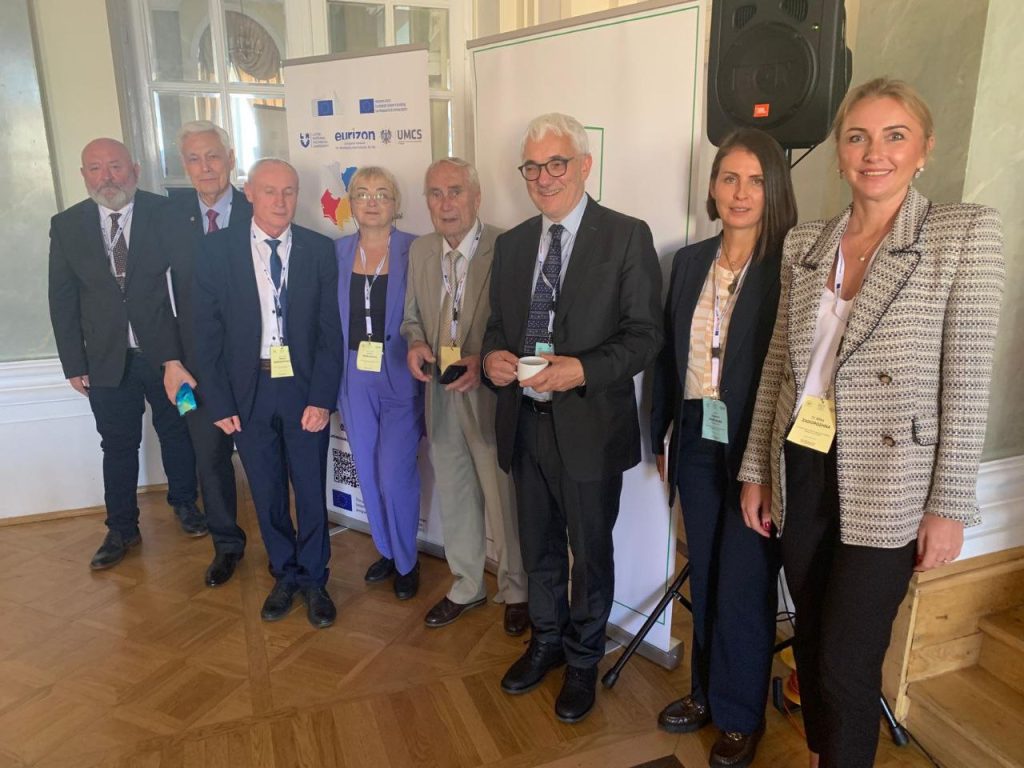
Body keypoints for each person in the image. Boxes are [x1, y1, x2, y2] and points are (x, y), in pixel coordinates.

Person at [739, 78, 1005, 768]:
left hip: (890, 479)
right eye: (857, 137)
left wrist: (948, 505)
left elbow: (967, 381)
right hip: (802, 462)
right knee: (811, 638)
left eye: (894, 136)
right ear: (839, 151)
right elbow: (779, 365)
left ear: (924, 149)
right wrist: (757, 470)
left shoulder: (962, 234)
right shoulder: (805, 242)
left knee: (845, 659)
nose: (873, 152)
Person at [482, 113, 663, 723]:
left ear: (585, 165)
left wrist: (581, 370)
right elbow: (497, 328)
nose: (544, 177)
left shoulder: (626, 236)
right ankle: (547, 643)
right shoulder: (512, 245)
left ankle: (584, 659)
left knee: (589, 554)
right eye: (533, 167)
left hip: (589, 429)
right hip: (524, 424)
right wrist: (494, 358)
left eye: (556, 163)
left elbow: (645, 337)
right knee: (536, 548)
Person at [650, 128, 797, 767]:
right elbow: (667, 356)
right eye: (729, 178)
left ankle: (741, 716)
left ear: (773, 190)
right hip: (695, 435)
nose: (740, 193)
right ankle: (705, 694)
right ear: (712, 187)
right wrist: (660, 430)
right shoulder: (688, 262)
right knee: (706, 572)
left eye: (755, 180)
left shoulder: (790, 265)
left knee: (744, 581)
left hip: (753, 445)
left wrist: (767, 461)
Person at [193, 158, 344, 629]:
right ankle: (285, 573)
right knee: (266, 489)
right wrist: (219, 402)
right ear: (249, 193)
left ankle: (315, 578)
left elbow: (330, 333)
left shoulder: (319, 250)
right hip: (249, 389)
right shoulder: (216, 251)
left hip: (303, 388)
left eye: (289, 191)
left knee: (310, 487)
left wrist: (322, 398)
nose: (281, 201)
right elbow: (204, 335)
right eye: (270, 191)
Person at [48, 137, 204, 570]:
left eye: (115, 166)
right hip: (104, 360)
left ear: (134, 169)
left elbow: (188, 286)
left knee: (178, 429)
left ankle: (185, 503)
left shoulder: (167, 212)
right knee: (116, 444)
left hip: (168, 357)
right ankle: (121, 528)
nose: (107, 177)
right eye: (96, 168)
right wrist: (73, 363)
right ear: (84, 176)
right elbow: (62, 299)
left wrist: (184, 355)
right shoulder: (66, 225)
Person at [401, 157, 529, 636]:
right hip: (440, 393)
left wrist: (485, 360)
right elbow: (411, 317)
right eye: (435, 194)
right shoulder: (421, 250)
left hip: (490, 393)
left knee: (503, 498)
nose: (445, 203)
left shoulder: (509, 246)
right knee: (455, 495)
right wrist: (415, 343)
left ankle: (517, 589)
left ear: (477, 197)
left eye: (455, 191)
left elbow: (523, 324)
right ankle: (467, 583)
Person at [165, 120, 252, 587]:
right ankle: (226, 546)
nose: (205, 167)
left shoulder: (259, 209)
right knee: (210, 460)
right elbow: (152, 296)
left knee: (263, 460)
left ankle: (284, 547)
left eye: (213, 156)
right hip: (194, 370)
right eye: (194, 159)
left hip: (256, 366)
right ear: (184, 165)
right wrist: (169, 360)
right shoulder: (169, 219)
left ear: (230, 159)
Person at [335, 166, 423, 600]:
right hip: (353, 374)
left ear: (396, 204)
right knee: (367, 471)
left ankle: (407, 562)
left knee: (394, 473)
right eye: (363, 194)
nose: (372, 202)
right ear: (351, 203)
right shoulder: (335, 252)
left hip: (401, 372)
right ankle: (386, 550)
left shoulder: (416, 250)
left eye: (382, 194)